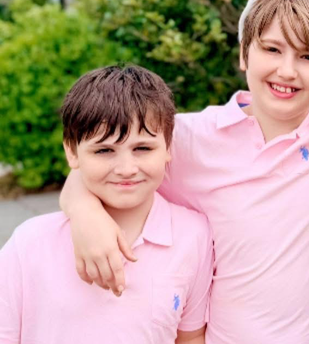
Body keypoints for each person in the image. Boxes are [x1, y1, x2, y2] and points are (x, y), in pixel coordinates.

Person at [59, 0, 309, 343]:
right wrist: (85, 213)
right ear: (244, 54)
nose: (287, 70)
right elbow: (98, 167)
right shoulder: (188, 138)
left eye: (308, 57)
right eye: (272, 49)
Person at [0, 65, 213, 344]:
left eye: (142, 148)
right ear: (72, 152)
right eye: (104, 150)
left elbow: (190, 337)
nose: (126, 169)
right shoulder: (30, 243)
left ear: (168, 147)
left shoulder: (193, 235)